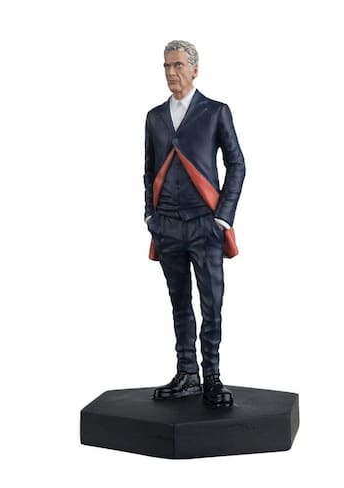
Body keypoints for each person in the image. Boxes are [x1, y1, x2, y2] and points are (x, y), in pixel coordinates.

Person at [144, 40, 245, 407]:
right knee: (179, 303)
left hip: (206, 224)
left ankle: (212, 375)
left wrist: (223, 217)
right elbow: (149, 169)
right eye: (166, 66)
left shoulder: (215, 111)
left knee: (211, 302)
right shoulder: (155, 117)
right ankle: (187, 373)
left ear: (194, 69)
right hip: (168, 225)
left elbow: (237, 164)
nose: (171, 72)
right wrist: (150, 215)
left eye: (178, 65)